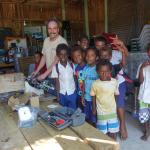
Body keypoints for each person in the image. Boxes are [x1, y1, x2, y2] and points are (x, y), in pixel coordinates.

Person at [99, 43, 128, 140]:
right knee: (109, 110)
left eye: (106, 56)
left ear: (110, 56)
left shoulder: (113, 66)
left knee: (117, 107)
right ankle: (111, 130)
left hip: (115, 90)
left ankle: (120, 128)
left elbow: (123, 64)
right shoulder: (99, 66)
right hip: (105, 93)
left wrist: (123, 52)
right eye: (102, 56)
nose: (104, 58)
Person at [91, 59, 119, 140]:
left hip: (112, 111)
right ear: (97, 72)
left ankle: (114, 145)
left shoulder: (114, 82)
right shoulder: (95, 83)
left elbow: (116, 94)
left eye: (106, 71)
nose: (104, 74)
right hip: (101, 111)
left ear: (110, 71)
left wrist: (115, 106)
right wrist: (93, 108)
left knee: (113, 131)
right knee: (103, 131)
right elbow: (93, 96)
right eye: (101, 71)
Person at [51, 44, 77, 110]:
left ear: (68, 54)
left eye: (65, 54)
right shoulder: (56, 67)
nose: (63, 56)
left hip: (72, 93)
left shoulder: (72, 65)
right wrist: (58, 96)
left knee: (72, 111)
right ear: (57, 55)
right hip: (62, 94)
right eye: (61, 54)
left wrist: (76, 91)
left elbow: (75, 78)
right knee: (63, 112)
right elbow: (57, 82)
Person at [82, 48, 99, 125]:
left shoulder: (98, 69)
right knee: (88, 117)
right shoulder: (85, 68)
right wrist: (82, 96)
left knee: (96, 118)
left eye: (92, 55)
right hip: (87, 98)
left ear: (97, 57)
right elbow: (84, 83)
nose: (89, 57)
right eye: (87, 55)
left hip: (96, 99)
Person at [137, 43, 150, 141]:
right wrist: (142, 68)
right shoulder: (143, 65)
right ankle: (146, 131)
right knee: (144, 116)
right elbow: (140, 81)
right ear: (148, 52)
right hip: (143, 96)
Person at [71, 46, 86, 110]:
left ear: (83, 54)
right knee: (80, 112)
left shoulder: (87, 66)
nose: (77, 58)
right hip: (79, 94)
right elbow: (76, 79)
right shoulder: (75, 67)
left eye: (79, 55)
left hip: (87, 95)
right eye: (74, 57)